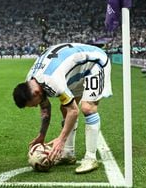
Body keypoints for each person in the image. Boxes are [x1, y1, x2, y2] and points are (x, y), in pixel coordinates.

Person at [12, 43, 112, 174]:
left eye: (33, 104)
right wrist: (42, 135)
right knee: (65, 108)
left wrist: (61, 139)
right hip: (77, 71)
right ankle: (68, 154)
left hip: (95, 63)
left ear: (36, 93)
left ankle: (90, 158)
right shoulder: (31, 82)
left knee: (87, 108)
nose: (36, 105)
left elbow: (74, 111)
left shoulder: (52, 82)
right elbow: (45, 108)